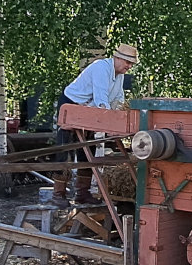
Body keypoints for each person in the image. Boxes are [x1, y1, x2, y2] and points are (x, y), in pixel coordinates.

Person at [50, 44, 138, 208]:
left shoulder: (118, 75)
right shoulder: (101, 68)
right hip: (72, 105)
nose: (129, 66)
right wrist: (110, 120)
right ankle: (58, 194)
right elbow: (101, 98)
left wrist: (122, 115)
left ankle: (82, 193)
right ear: (117, 58)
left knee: (87, 150)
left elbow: (118, 98)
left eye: (131, 64)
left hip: (88, 110)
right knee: (65, 150)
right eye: (127, 62)